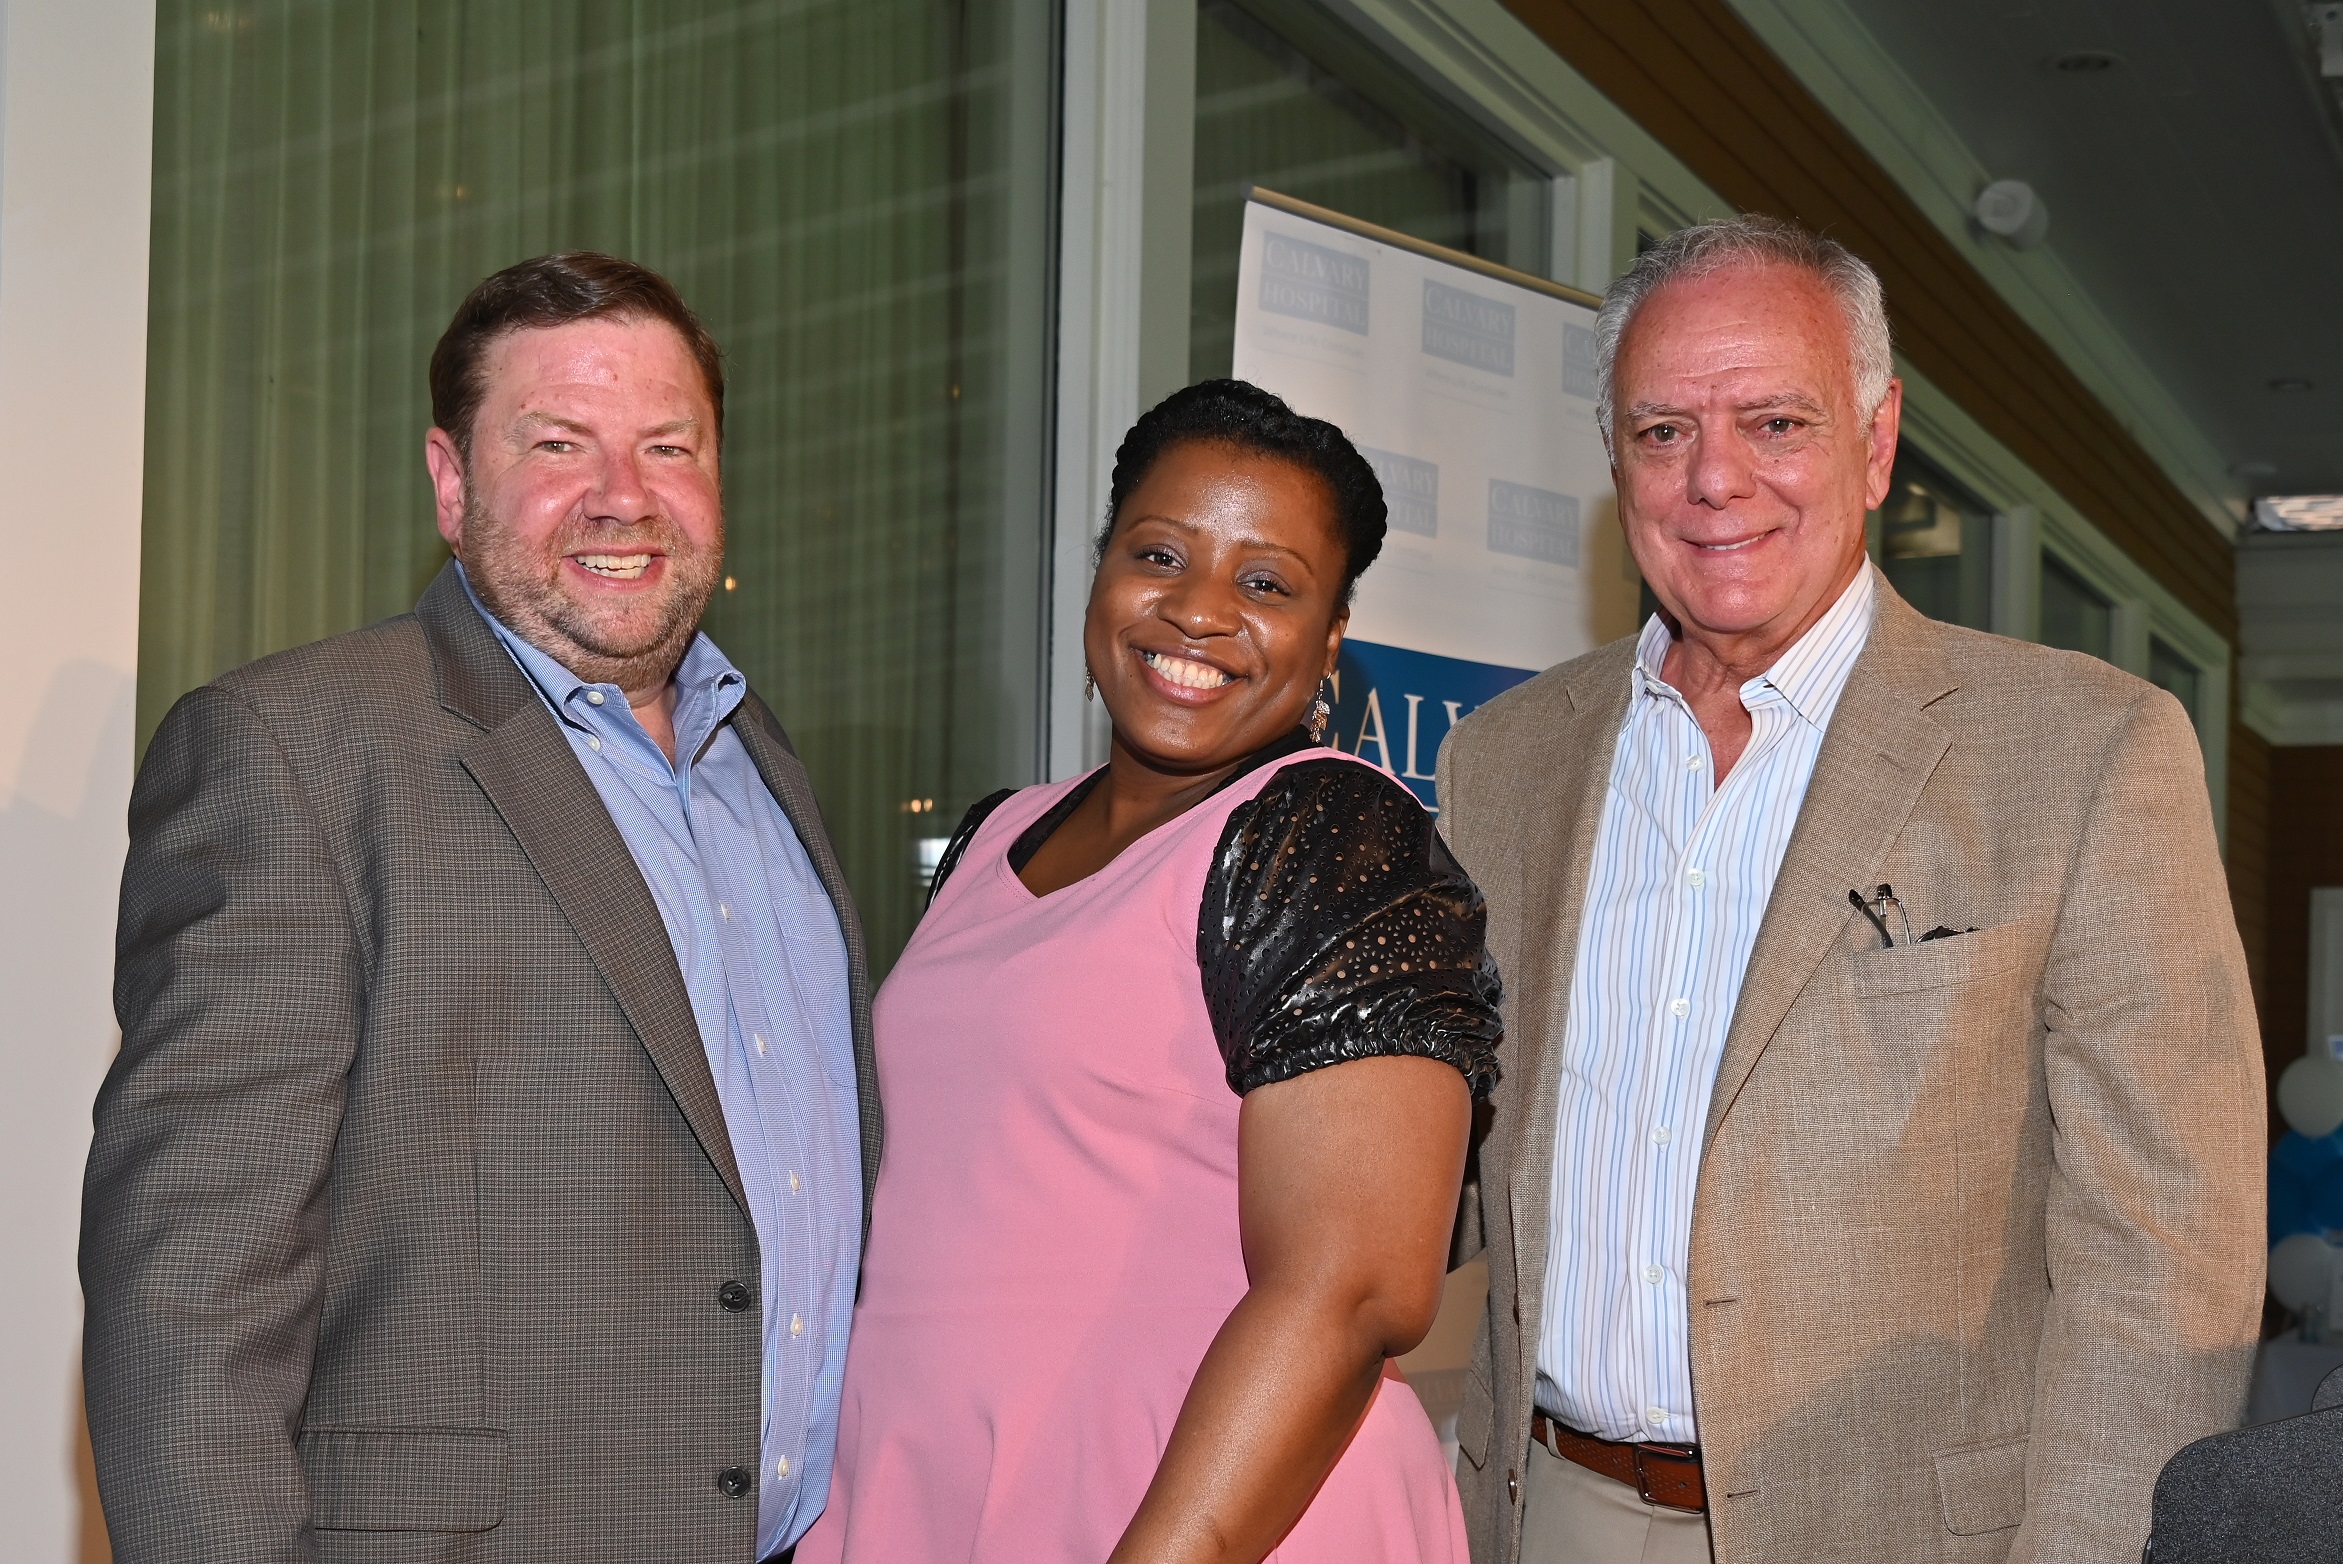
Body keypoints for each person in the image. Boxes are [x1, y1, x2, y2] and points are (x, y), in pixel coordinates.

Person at [1436, 216, 2264, 1564]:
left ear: (1874, 442)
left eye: (1772, 423)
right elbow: (1439, 1167)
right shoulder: (1504, 766)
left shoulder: (2084, 752)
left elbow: (2164, 1262)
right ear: (1612, 459)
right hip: (1545, 1513)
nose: (1713, 480)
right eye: (1659, 433)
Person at [82, 252, 878, 1562]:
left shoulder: (763, 768)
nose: (624, 497)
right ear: (451, 483)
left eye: (668, 446)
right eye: (558, 442)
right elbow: (189, 1299)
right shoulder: (297, 750)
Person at [798, 379, 1501, 1564]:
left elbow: (1356, 1288)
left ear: (1331, 639)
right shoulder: (993, 834)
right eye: (1160, 553)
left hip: (1205, 1515)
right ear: (1102, 567)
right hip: (943, 1490)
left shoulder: (1327, 831)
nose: (1198, 612)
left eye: (1265, 583)